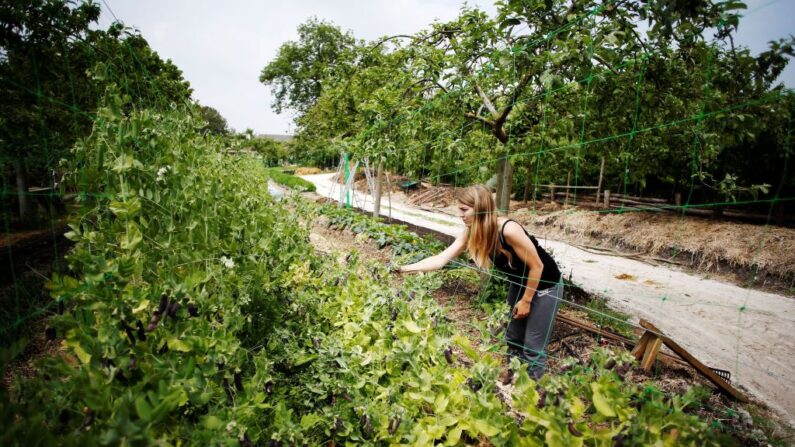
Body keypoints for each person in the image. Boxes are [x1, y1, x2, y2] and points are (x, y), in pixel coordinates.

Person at [397, 184, 563, 379]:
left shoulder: (507, 230)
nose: (460, 215)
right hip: (519, 284)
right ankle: (517, 380)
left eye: (464, 210)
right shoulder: (473, 231)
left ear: (481, 208)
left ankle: (533, 396)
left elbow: (537, 266)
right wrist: (405, 268)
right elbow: (441, 259)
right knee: (513, 338)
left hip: (545, 286)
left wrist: (526, 300)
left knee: (533, 347)